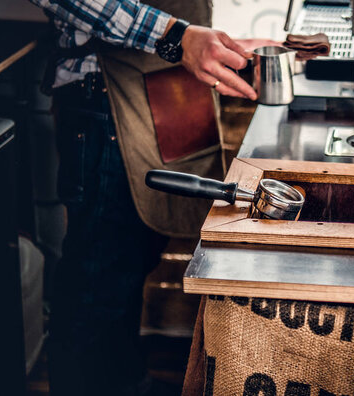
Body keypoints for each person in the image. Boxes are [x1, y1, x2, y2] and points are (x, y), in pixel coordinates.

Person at [27, 1, 273, 395]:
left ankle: (126, 383)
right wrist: (178, 36)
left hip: (166, 89)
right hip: (107, 95)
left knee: (135, 259)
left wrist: (223, 46)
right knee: (98, 280)